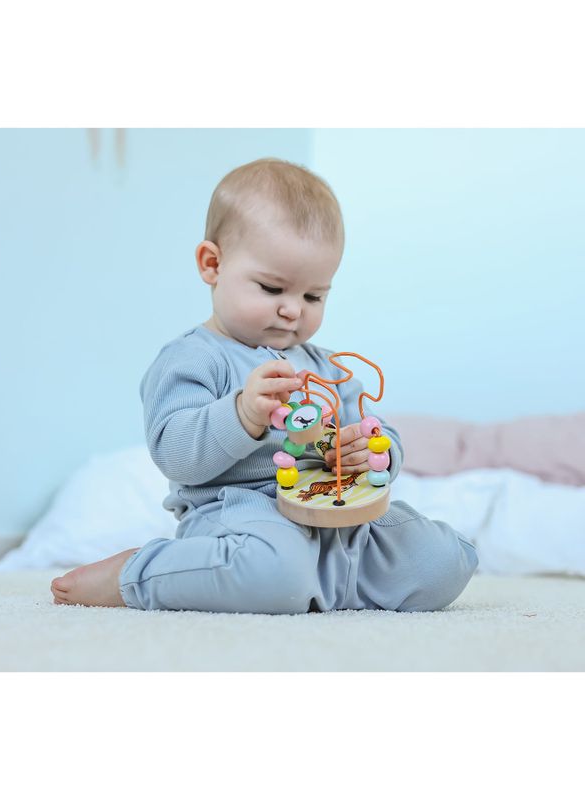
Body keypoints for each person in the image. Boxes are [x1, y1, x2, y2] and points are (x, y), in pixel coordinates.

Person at [51, 157, 478, 613]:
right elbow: (175, 454)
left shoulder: (330, 368)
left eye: (313, 296)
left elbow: (379, 433)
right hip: (243, 514)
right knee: (273, 567)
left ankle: (324, 582)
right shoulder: (192, 358)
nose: (293, 310)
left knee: (440, 560)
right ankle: (140, 573)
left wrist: (373, 451)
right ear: (212, 264)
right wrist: (242, 414)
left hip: (336, 513)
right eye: (273, 289)